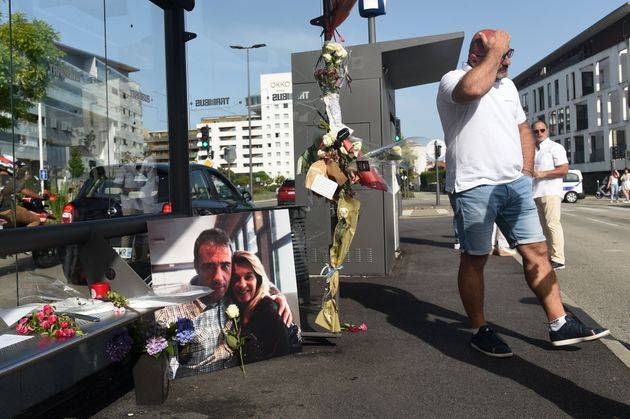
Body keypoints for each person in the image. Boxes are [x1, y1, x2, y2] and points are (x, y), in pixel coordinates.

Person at [436, 29, 609, 357]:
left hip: (513, 184)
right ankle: (478, 328)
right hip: (473, 185)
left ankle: (559, 323)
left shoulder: (508, 87)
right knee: (475, 258)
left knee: (538, 251)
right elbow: (472, 89)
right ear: (478, 53)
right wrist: (493, 51)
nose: (507, 60)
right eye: (502, 54)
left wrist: (526, 170)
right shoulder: (453, 78)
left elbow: (522, 128)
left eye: (507, 54)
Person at [154, 228, 292, 377]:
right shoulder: (168, 315)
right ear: (196, 266)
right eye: (209, 266)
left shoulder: (234, 294)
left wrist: (277, 295)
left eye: (225, 266)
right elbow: (164, 375)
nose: (219, 277)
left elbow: (256, 281)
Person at [230, 251, 291, 363]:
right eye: (235, 279)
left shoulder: (268, 310)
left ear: (258, 280)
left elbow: (284, 360)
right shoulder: (235, 307)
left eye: (248, 277)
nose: (242, 284)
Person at [532, 120, 569, 270]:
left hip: (551, 192)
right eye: (536, 131)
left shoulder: (555, 147)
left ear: (547, 130)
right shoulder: (533, 150)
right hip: (536, 192)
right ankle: (550, 257)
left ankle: (559, 259)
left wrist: (542, 174)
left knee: (553, 224)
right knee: (544, 227)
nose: (539, 133)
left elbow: (564, 169)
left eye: (542, 130)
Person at [0, 155, 47, 228]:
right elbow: (23, 190)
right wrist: (41, 197)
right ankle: (25, 238)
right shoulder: (8, 178)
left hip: (3, 214)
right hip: (8, 210)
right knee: (36, 220)